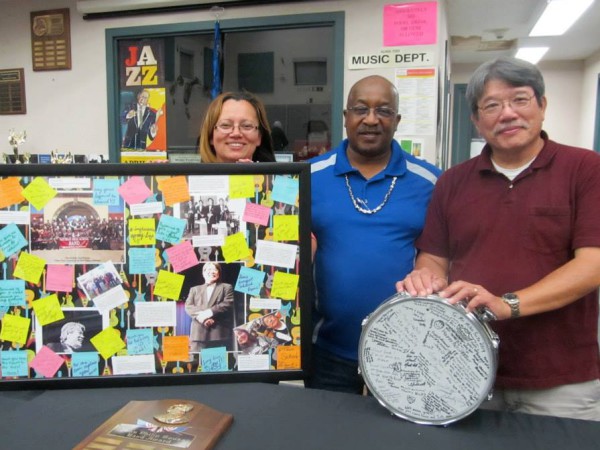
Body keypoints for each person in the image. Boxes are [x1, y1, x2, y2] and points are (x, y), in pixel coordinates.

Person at [396, 57, 600, 421]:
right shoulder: (452, 182)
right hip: (464, 369)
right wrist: (427, 277)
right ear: (476, 120)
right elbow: (433, 257)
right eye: (492, 105)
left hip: (558, 379)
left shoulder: (585, 169)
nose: (507, 114)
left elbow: (592, 264)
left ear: (542, 105)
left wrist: (508, 304)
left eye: (520, 99)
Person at [307, 75, 441, 394]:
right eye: (360, 109)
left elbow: (441, 255)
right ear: (345, 118)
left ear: (396, 120)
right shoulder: (307, 177)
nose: (371, 119)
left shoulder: (431, 182)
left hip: (406, 353)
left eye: (383, 110)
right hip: (326, 352)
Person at [198, 91, 276, 163]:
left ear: (259, 137)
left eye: (246, 126)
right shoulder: (189, 178)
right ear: (211, 135)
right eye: (225, 125)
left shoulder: (277, 178)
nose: (236, 133)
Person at [185, 262, 234, 352]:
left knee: (218, 363)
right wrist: (203, 319)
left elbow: (228, 303)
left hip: (218, 334)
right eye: (209, 269)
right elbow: (188, 307)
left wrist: (208, 313)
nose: (212, 272)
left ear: (218, 273)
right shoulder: (194, 289)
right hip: (198, 334)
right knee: (197, 363)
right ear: (203, 273)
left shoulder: (226, 287)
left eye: (215, 269)